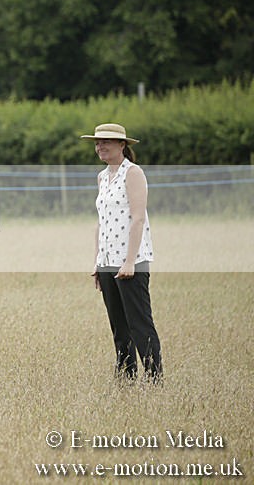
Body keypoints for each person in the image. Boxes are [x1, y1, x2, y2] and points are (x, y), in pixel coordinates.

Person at [81, 123, 162, 383]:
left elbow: (138, 218)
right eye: (97, 142)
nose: (100, 146)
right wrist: (97, 260)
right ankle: (126, 380)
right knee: (119, 328)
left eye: (106, 141)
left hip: (131, 262)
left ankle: (154, 380)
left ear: (122, 145)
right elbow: (101, 221)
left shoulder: (133, 173)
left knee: (140, 325)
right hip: (107, 262)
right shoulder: (102, 176)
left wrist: (129, 261)